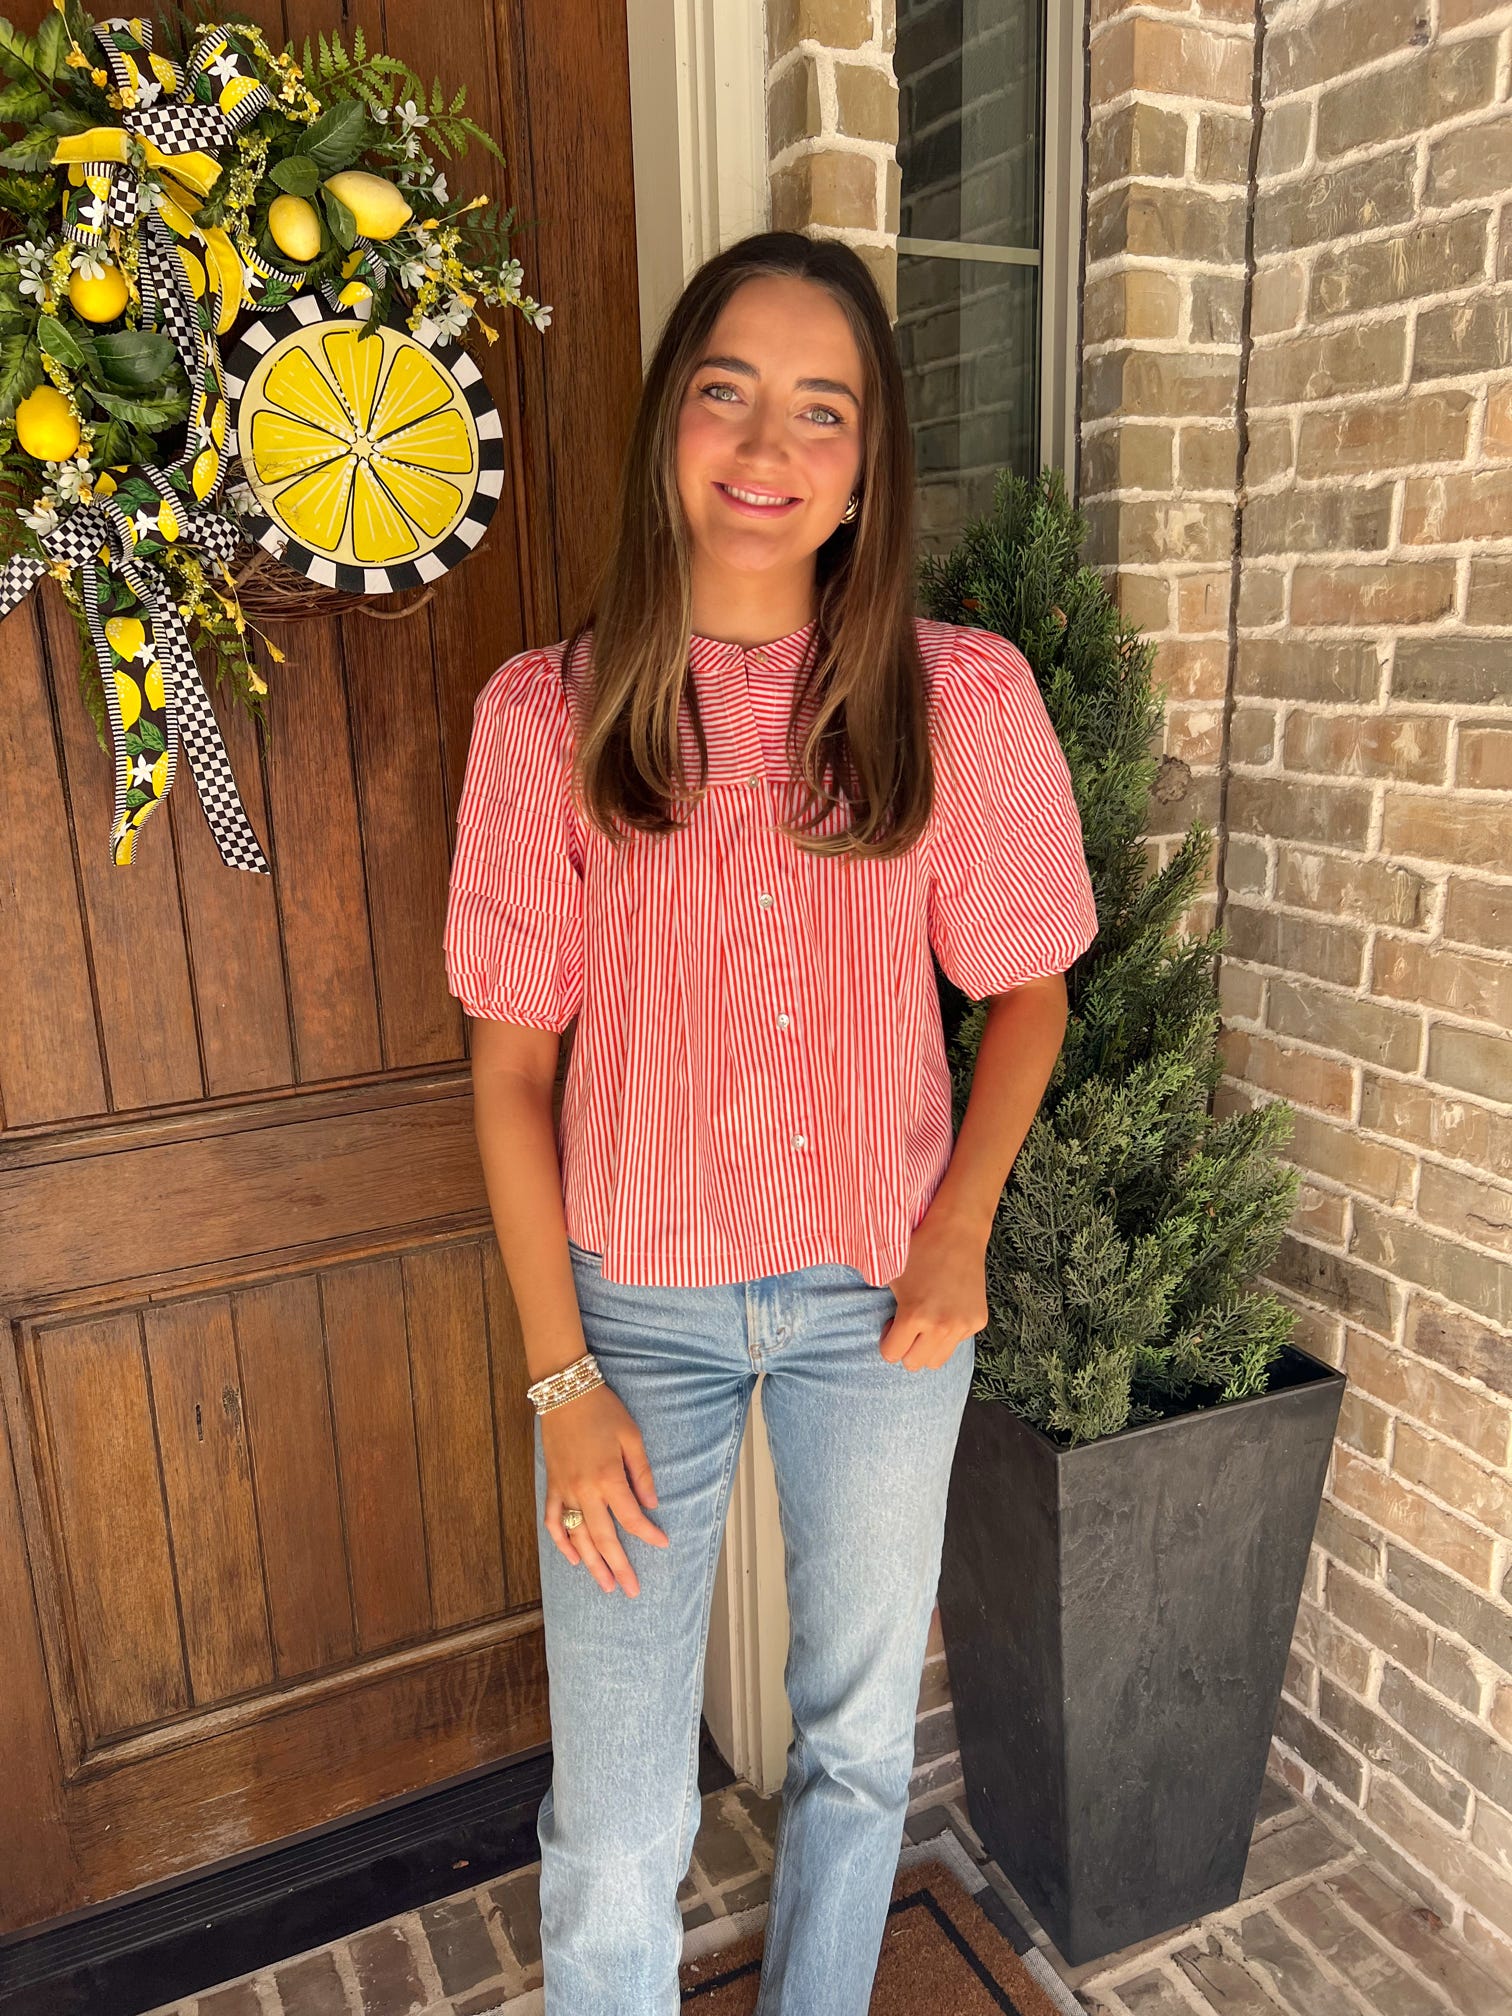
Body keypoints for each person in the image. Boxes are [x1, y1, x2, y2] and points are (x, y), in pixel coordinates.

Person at [442, 228, 1097, 2015]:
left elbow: (1025, 987)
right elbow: (510, 1073)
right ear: (671, 422)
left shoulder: (957, 699)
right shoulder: (549, 718)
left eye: (825, 409)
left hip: (877, 1316)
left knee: (860, 1746)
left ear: (869, 463)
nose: (767, 443)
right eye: (729, 389)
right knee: (617, 1824)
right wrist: (561, 1382)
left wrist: (958, 1232)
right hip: (628, 1325)